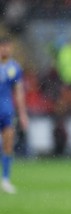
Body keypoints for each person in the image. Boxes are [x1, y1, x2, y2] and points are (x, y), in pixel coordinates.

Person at [0, 35, 28, 194]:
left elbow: (19, 93)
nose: (6, 49)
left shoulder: (14, 68)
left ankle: (5, 180)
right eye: (3, 46)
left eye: (8, 46)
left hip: (6, 110)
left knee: (8, 143)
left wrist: (23, 114)